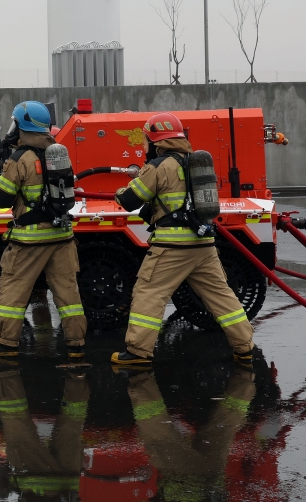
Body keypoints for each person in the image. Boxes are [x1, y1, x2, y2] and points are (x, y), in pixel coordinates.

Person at [111, 112, 256, 367]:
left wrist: (120, 190)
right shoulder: (194, 162)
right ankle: (245, 347)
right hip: (203, 245)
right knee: (221, 295)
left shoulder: (159, 167)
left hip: (171, 247)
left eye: (147, 140)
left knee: (149, 293)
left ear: (156, 141)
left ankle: (138, 352)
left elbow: (130, 200)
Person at [0, 101, 87, 360]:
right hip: (62, 237)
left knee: (13, 291)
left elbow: (2, 200)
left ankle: (7, 345)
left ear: (22, 125)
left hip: (29, 241)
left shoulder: (20, 159)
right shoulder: (58, 154)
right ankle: (76, 345)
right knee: (68, 294)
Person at [127, 368, 255, 499]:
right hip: (183, 478)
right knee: (158, 434)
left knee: (223, 425)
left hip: (212, 475)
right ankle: (140, 377)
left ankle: (245, 376)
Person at [0, 367, 89, 498]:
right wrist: (7, 479)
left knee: (72, 420)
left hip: (69, 483)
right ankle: (7, 370)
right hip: (34, 481)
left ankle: (77, 373)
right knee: (17, 424)